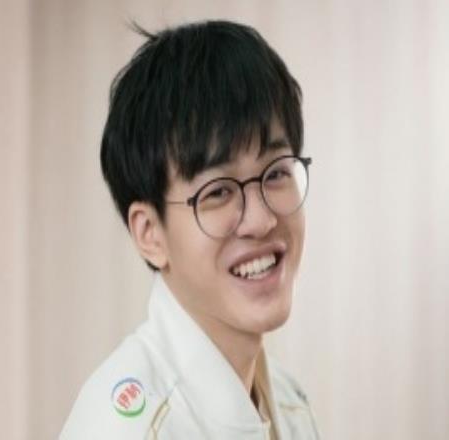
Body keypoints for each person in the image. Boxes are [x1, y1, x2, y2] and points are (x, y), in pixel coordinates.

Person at [60, 19, 320, 440]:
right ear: (150, 233)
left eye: (275, 173)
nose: (261, 220)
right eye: (218, 192)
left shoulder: (291, 404)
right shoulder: (126, 430)